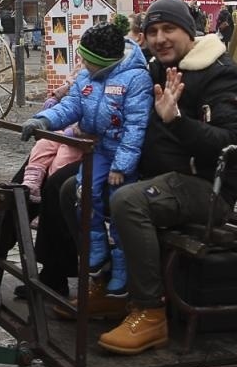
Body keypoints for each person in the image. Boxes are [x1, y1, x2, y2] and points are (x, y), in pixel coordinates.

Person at [89, 0, 237, 354]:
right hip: (160, 178)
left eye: (169, 29)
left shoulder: (220, 73)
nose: (159, 38)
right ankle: (111, 287)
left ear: (189, 32)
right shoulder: (155, 68)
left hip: (208, 188)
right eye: (152, 31)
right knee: (78, 186)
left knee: (127, 201)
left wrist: (177, 121)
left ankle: (150, 312)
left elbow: (232, 142)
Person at [22, 22, 153, 301]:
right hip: (101, 150)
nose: (83, 64)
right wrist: (44, 119)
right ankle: (96, 248)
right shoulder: (87, 78)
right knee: (83, 192)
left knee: (117, 205)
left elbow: (136, 126)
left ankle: (121, 267)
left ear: (103, 61)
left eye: (87, 59)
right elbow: (71, 107)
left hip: (121, 154)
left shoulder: (135, 79)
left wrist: (122, 166)